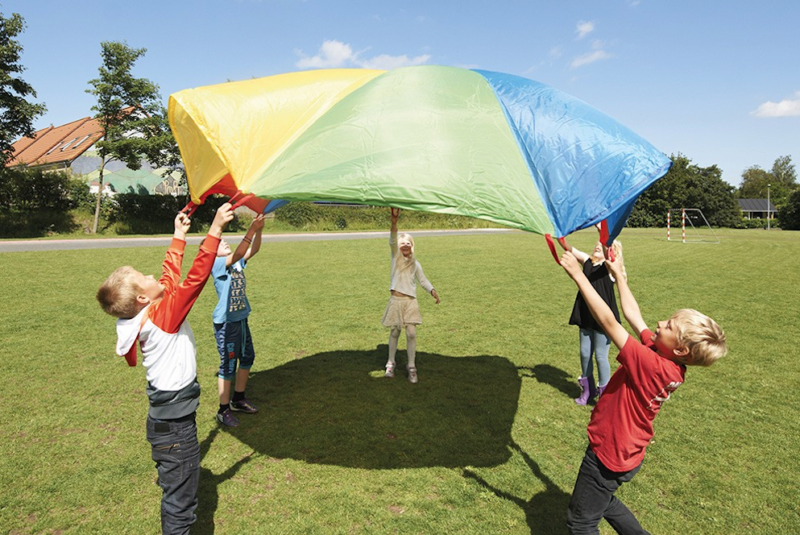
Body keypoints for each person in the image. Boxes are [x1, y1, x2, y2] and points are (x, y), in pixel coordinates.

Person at [559, 247, 727, 535]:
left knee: (581, 523)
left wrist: (579, 276)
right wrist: (619, 275)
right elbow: (634, 316)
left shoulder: (651, 364)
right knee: (604, 501)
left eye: (669, 325)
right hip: (628, 451)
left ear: (681, 348)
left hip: (608, 453)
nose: (660, 324)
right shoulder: (667, 361)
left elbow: (610, 322)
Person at [96, 204, 234, 535]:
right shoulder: (162, 317)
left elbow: (170, 279)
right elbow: (193, 281)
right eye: (144, 278)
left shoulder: (149, 312)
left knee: (176, 491)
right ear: (143, 299)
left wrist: (179, 236)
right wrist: (214, 230)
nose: (151, 275)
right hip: (175, 430)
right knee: (181, 505)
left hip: (164, 424)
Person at [211, 214, 266, 427]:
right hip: (227, 323)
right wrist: (250, 230)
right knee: (228, 363)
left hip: (241, 318)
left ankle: (238, 398)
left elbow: (254, 250)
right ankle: (223, 410)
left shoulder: (236, 264)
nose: (223, 240)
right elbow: (240, 252)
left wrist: (259, 230)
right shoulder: (216, 264)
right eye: (219, 241)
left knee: (247, 357)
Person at [558, 234, 626, 405]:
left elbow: (607, 252)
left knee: (601, 357)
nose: (597, 247)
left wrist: (604, 237)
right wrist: (559, 235)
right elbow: (570, 249)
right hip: (585, 315)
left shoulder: (610, 269)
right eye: (596, 244)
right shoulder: (587, 262)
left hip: (604, 320)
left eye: (600, 246)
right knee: (585, 354)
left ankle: (605, 397)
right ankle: (588, 392)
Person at [381, 209, 440, 383]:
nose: (405, 245)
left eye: (408, 243)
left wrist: (432, 290)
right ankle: (390, 363)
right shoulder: (395, 258)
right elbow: (392, 240)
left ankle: (411, 366)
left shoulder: (416, 263)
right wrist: (393, 223)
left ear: (412, 246)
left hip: (410, 302)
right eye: (402, 243)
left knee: (412, 333)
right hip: (396, 301)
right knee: (395, 331)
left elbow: (423, 280)